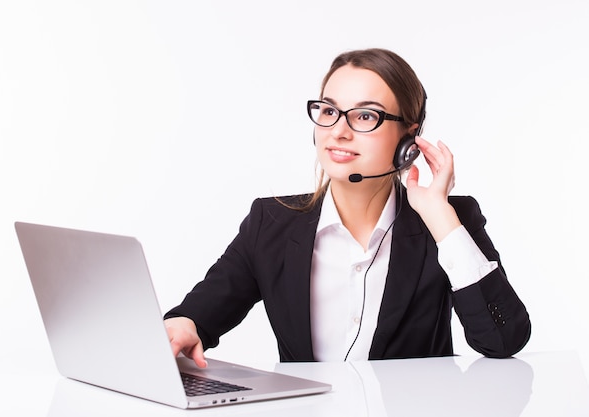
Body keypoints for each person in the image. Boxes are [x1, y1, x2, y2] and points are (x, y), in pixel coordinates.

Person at [163, 48, 531, 367]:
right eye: (328, 111)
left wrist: (439, 217)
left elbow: (503, 341)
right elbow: (199, 314)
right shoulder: (270, 223)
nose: (338, 131)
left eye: (365, 116)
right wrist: (184, 324)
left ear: (408, 137)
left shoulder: (449, 222)